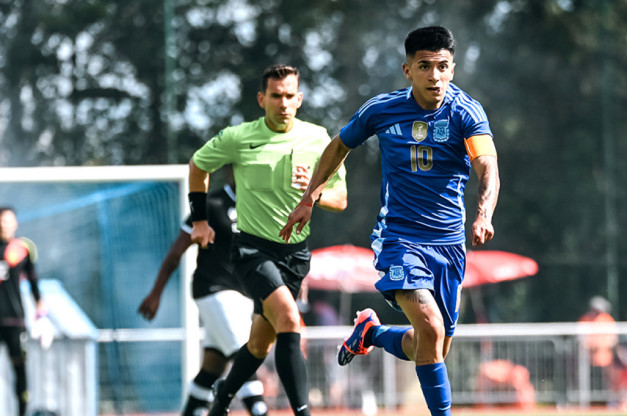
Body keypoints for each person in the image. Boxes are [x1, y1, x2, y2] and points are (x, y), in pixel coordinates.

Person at [280, 26, 500, 416]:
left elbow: (488, 166)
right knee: (430, 329)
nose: (435, 76)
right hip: (399, 239)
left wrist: (484, 213)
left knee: (431, 346)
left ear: (452, 69)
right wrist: (309, 197)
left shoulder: (466, 112)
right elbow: (338, 146)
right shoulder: (381, 110)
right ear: (407, 70)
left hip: (449, 245)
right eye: (425, 66)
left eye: (443, 67)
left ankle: (373, 333)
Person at [189, 64, 348, 416]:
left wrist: (314, 193)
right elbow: (198, 166)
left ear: (300, 99)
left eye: (290, 95)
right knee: (291, 321)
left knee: (261, 342)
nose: (283, 103)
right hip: (251, 250)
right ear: (262, 99)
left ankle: (222, 398)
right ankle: (303, 413)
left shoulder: (319, 139)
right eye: (275, 96)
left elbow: (341, 200)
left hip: (295, 256)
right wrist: (199, 220)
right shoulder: (238, 137)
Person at [138, 172, 269, 416]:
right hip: (213, 291)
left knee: (212, 367)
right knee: (245, 358)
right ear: (231, 169)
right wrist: (156, 293)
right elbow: (176, 251)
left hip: (242, 297)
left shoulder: (259, 207)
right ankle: (260, 411)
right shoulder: (211, 204)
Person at [0, 207, 47, 416]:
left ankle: (21, 413)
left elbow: (34, 283)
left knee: (20, 371)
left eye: (8, 220)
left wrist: (42, 314)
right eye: (1, 220)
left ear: (15, 223)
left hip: (15, 321)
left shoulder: (23, 248)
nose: (4, 224)